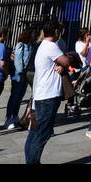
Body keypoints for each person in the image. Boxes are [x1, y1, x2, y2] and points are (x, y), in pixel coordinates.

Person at [26, 22, 72, 165]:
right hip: (48, 96)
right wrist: (66, 61)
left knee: (34, 131)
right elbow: (66, 61)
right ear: (56, 32)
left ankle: (31, 160)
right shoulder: (52, 47)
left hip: (40, 94)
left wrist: (59, 66)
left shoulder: (42, 46)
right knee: (43, 132)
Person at [5, 30, 33, 131]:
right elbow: (18, 60)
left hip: (25, 73)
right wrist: (20, 71)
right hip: (18, 74)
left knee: (20, 96)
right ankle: (8, 118)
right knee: (14, 96)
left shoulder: (30, 45)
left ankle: (15, 116)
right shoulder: (20, 45)